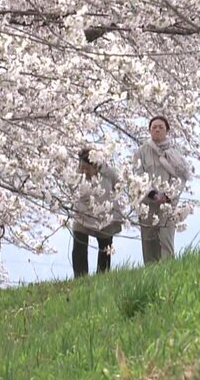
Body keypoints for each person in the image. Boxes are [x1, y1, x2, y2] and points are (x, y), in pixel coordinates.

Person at [133, 116, 191, 264]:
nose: (157, 130)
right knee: (149, 242)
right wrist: (153, 194)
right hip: (148, 203)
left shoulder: (174, 152)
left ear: (167, 130)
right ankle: (150, 275)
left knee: (166, 240)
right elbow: (138, 176)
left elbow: (181, 176)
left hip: (167, 204)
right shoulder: (141, 152)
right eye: (154, 127)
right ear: (149, 130)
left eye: (161, 127)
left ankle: (168, 272)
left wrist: (168, 196)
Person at [72, 148, 123, 278]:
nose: (84, 171)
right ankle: (80, 277)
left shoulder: (108, 173)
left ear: (96, 167)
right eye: (81, 167)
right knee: (79, 244)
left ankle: (103, 276)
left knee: (105, 247)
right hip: (83, 213)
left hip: (105, 213)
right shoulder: (76, 175)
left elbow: (119, 186)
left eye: (87, 169)